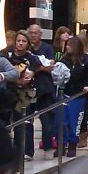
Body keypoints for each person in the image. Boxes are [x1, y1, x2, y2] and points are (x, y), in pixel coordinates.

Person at [6, 30, 55, 159]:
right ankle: (16, 151)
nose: (20, 43)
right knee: (16, 122)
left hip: (26, 93)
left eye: (23, 41)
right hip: (10, 92)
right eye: (18, 40)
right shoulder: (7, 54)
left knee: (24, 120)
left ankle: (27, 151)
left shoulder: (31, 57)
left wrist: (32, 72)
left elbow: (38, 66)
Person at [58, 36, 88, 158]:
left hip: (78, 96)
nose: (67, 46)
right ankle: (61, 145)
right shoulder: (64, 60)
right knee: (62, 121)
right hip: (65, 94)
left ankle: (72, 144)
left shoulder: (86, 62)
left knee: (75, 122)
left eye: (69, 45)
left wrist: (87, 86)